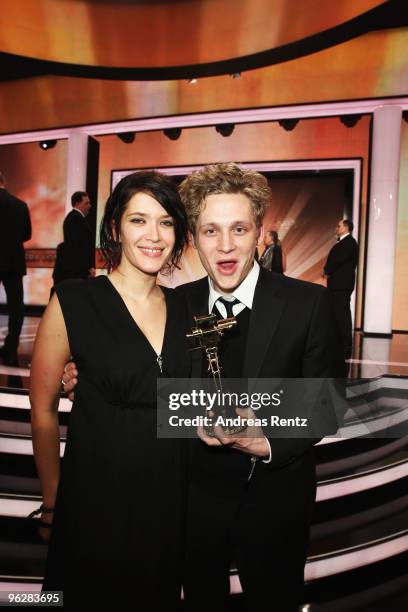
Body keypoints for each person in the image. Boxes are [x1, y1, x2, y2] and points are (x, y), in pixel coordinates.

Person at [63, 163, 340, 612]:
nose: (226, 245)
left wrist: (264, 438)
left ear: (259, 232)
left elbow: (325, 402)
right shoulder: (176, 304)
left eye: (238, 229)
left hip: (275, 499)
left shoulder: (307, 303)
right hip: (191, 502)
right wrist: (86, 375)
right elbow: (145, 376)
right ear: (193, 236)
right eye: (211, 230)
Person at [30, 171, 190, 610]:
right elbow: (42, 410)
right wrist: (51, 501)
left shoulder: (188, 309)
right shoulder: (73, 299)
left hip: (167, 499)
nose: (154, 236)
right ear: (115, 227)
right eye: (139, 220)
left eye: (166, 222)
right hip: (93, 496)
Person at [0, 171, 32, 366]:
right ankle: (11, 345)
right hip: (13, 260)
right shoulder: (20, 205)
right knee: (16, 306)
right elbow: (27, 234)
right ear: (4, 181)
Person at [323, 219, 358, 360]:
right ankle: (340, 346)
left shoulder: (349, 243)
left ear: (346, 227)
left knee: (342, 316)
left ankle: (345, 348)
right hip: (338, 285)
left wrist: (327, 270)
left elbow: (338, 260)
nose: (336, 228)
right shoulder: (344, 243)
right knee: (338, 315)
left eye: (339, 226)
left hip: (341, 286)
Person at [52, 191, 95, 287]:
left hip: (76, 270)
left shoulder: (74, 218)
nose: (90, 206)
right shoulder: (76, 219)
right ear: (77, 203)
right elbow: (80, 247)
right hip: (77, 271)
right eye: (86, 203)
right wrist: (88, 268)